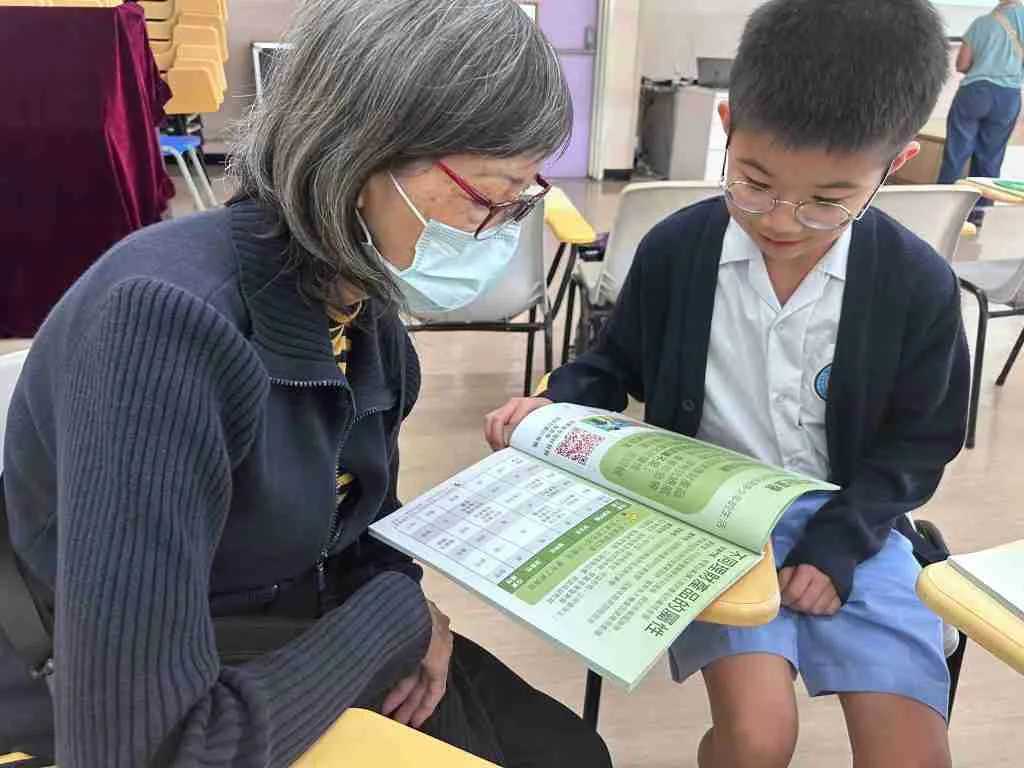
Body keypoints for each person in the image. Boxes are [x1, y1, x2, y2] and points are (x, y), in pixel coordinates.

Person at [0, 1, 614, 766]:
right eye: (491, 198)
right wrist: (400, 619)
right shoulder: (163, 328)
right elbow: (150, 748)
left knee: (572, 752)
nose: (501, 232)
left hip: (283, 624)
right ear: (360, 156)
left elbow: (361, 525)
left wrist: (399, 596)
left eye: (523, 199)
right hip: (132, 683)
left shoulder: (365, 318)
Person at [486, 1, 970, 766]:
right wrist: (553, 406)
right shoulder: (679, 251)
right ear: (728, 123)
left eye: (828, 201)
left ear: (896, 164)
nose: (782, 219)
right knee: (757, 738)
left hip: (857, 520)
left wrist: (842, 538)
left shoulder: (916, 283)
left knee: (910, 754)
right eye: (753, 182)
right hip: (711, 520)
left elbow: (921, 440)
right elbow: (615, 365)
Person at [938, 0, 1024, 224]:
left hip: (974, 93)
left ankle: (941, 212)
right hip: (1007, 97)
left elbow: (962, 64)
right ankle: (978, 215)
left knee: (956, 155)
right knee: (990, 159)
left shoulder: (982, 23)